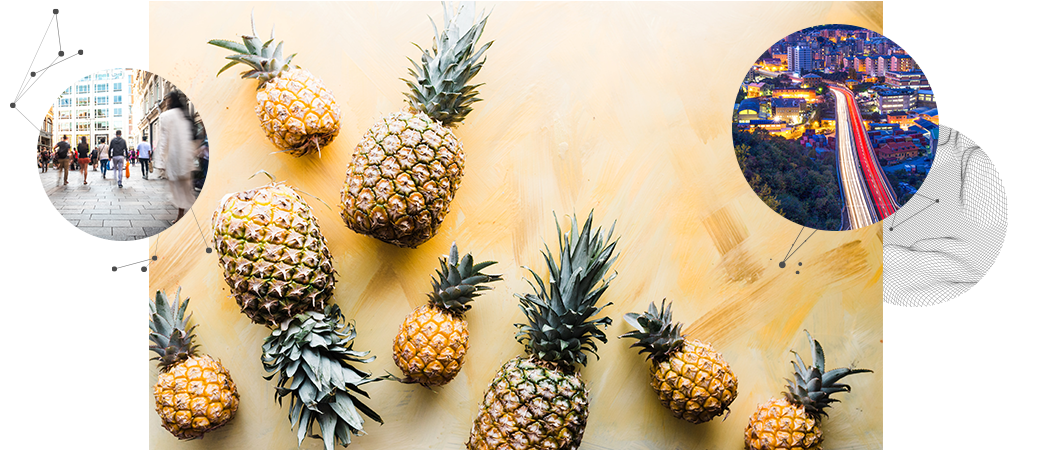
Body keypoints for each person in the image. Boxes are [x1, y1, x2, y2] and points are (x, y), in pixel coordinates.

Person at [155, 91, 196, 222]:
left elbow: (164, 139)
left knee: (177, 190)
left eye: (166, 100)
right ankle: (182, 214)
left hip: (174, 159)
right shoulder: (185, 115)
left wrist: (161, 161)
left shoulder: (166, 116)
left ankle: (181, 215)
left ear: (169, 101)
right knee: (186, 189)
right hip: (187, 159)